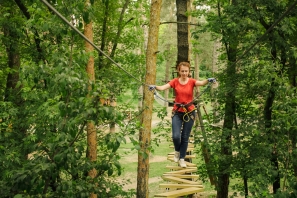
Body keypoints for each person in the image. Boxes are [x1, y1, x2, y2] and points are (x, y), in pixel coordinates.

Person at [148, 61, 216, 168]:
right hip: (177, 112)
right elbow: (162, 87)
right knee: (176, 136)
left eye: (186, 71)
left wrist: (208, 80)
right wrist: (155, 87)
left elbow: (202, 83)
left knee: (185, 137)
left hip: (189, 112)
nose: (184, 73)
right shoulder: (175, 81)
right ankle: (177, 151)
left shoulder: (192, 81)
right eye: (182, 71)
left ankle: (182, 159)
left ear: (189, 72)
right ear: (179, 71)